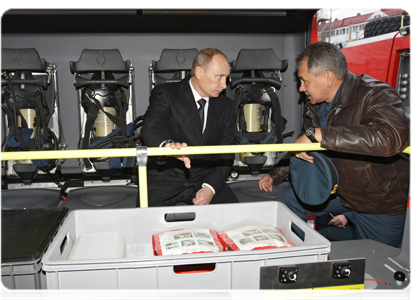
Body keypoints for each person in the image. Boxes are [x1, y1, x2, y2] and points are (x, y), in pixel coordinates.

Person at [258, 42, 411, 248]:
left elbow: (390, 137)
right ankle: (301, 254)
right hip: (342, 192)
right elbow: (303, 146)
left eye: (305, 81)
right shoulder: (315, 106)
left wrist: (321, 134)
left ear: (328, 78)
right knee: (288, 199)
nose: (301, 88)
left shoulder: (375, 94)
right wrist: (274, 174)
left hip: (378, 202)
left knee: (381, 267)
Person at [139, 48, 239, 206]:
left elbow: (226, 152)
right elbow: (151, 126)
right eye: (219, 76)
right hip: (165, 179)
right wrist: (167, 146)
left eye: (226, 78)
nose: (224, 85)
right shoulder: (165, 93)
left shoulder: (226, 106)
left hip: (204, 179)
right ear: (199, 72)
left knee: (236, 219)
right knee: (144, 224)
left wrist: (210, 188)